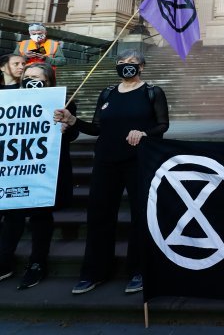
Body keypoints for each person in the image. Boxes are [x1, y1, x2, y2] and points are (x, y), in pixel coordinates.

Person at [54, 50, 169, 295]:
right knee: (99, 216)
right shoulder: (106, 93)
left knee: (140, 215)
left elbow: (162, 125)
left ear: (142, 67)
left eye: (132, 63)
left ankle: (138, 270)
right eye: (121, 62)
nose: (126, 66)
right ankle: (93, 272)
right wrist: (74, 120)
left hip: (137, 160)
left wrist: (145, 133)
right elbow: (97, 127)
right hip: (105, 161)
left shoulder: (152, 92)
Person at [0, 63, 78, 289]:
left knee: (41, 216)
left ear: (49, 81)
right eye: (27, 75)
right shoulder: (7, 100)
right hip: (15, 169)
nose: (30, 79)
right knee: (12, 216)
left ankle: (37, 263)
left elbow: (72, 134)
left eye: (36, 76)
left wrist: (67, 124)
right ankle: (4, 262)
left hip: (45, 172)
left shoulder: (63, 102)